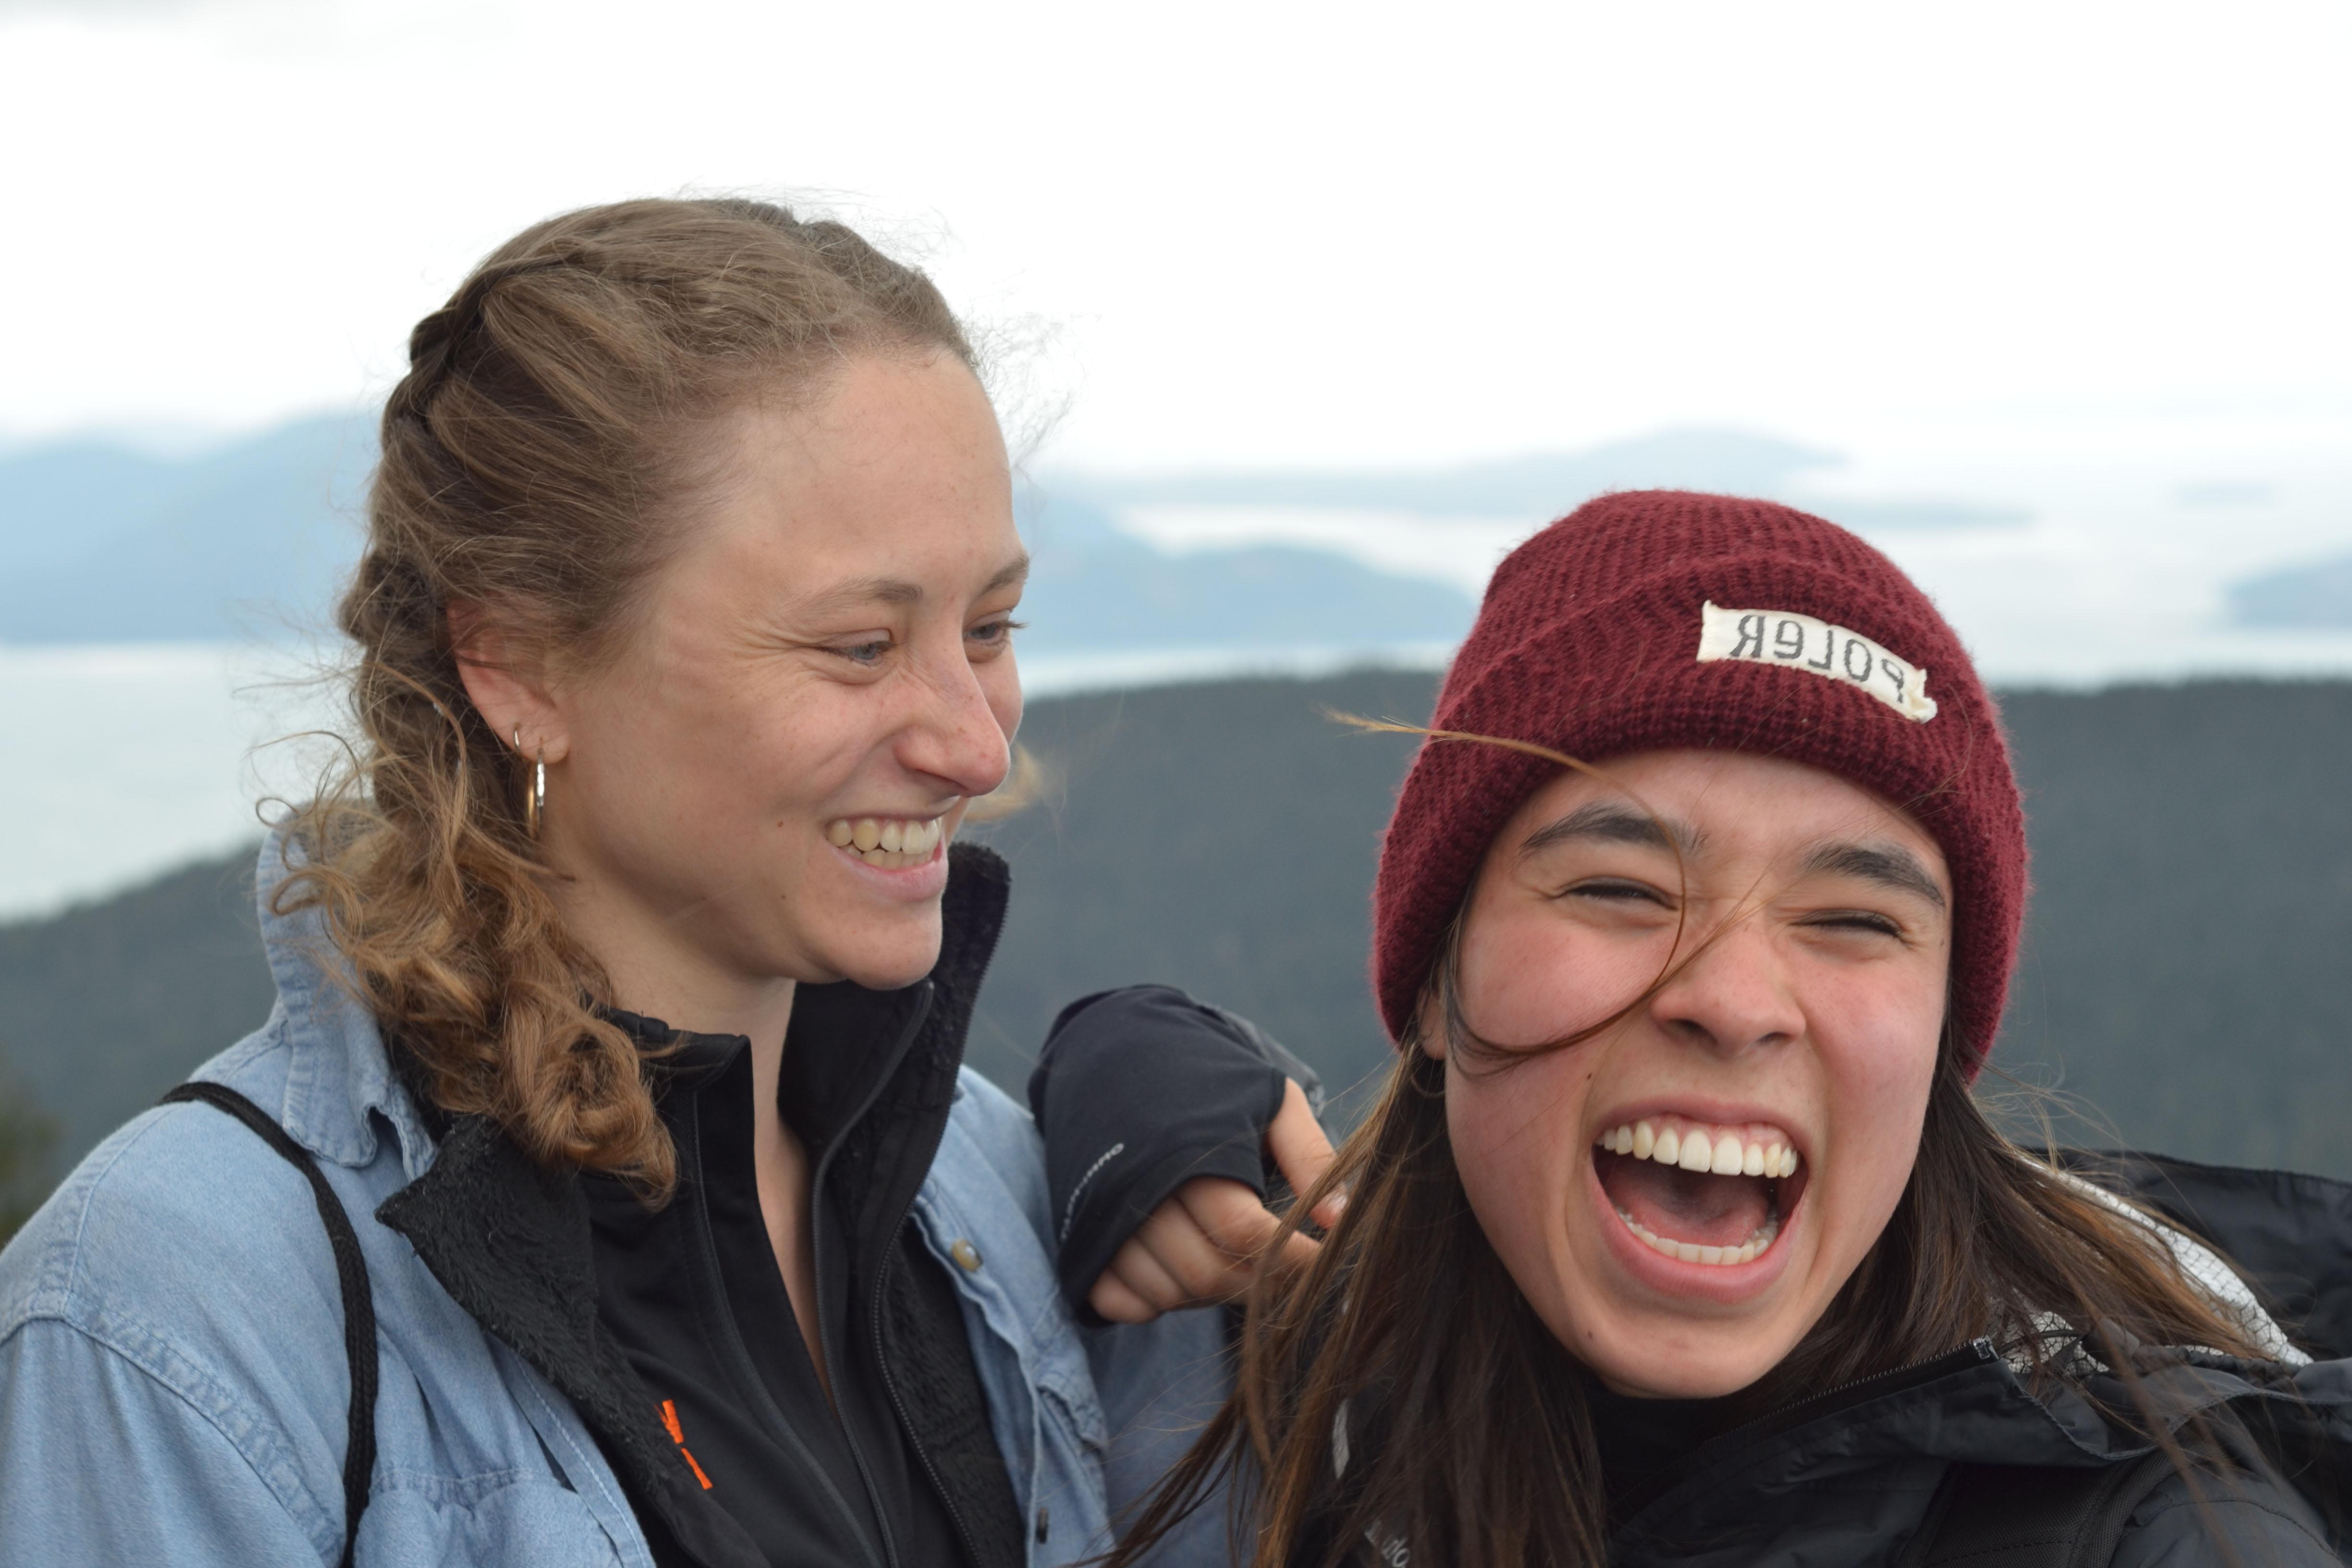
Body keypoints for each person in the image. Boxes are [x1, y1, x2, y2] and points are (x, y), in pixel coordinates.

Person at [0, 196, 1268, 1568]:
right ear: (522, 665)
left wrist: (1194, 1112)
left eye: (990, 627)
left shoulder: (987, 1190)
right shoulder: (177, 1314)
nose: (975, 741)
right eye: (858, 645)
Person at [1074, 490, 2352, 1566]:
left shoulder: (2173, 1524)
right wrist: (1119, 1078)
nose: (1735, 1002)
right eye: (1621, 891)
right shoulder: (1320, 1377)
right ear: (1432, 984)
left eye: (1855, 918)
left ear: (1939, 1042)